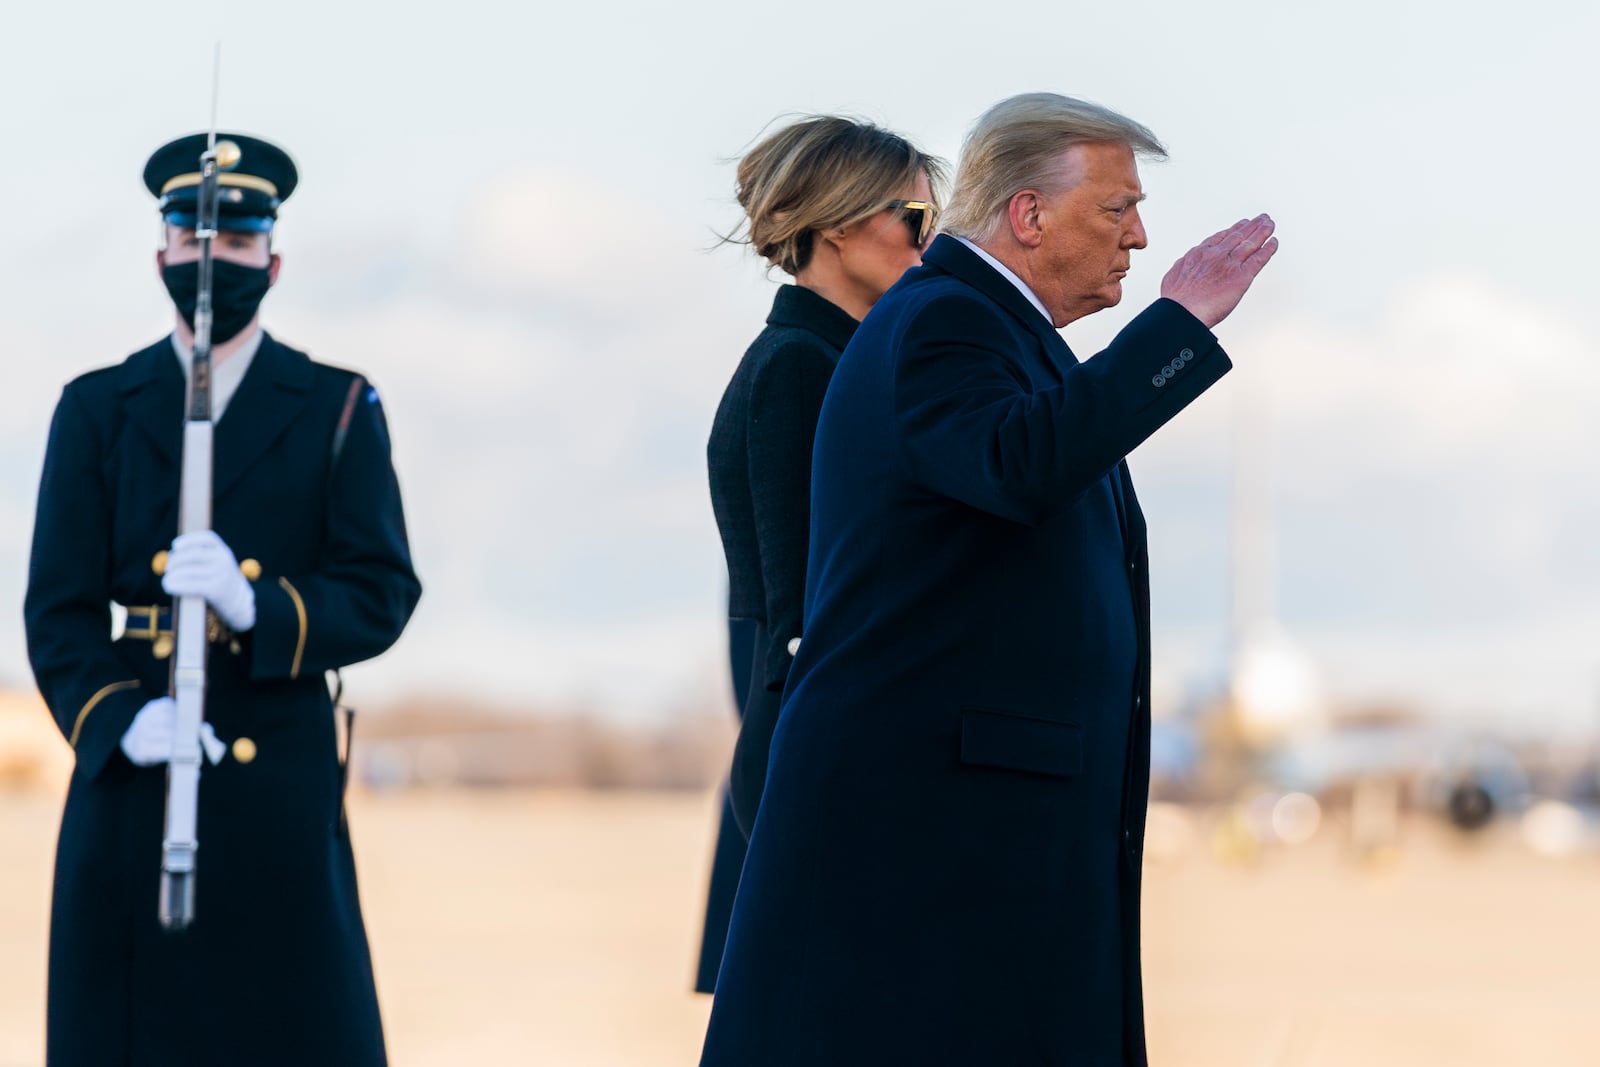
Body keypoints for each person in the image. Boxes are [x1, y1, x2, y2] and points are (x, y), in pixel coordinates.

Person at [700, 92, 1277, 1065]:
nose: (1139, 237)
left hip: (976, 840)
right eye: (1116, 207)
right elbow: (1019, 462)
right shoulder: (945, 321)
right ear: (1028, 213)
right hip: (934, 842)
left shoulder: (997, 334)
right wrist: (1177, 324)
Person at [24, 131, 421, 1067]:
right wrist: (118, 719)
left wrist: (260, 605)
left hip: (275, 767)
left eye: (237, 242)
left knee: (286, 1025)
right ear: (162, 253)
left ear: (272, 261)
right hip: (137, 772)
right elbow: (58, 608)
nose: (213, 260)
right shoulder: (97, 406)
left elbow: (381, 588)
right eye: (194, 237)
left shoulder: (335, 405)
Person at [695, 116, 945, 992]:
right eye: (916, 216)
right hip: (829, 757)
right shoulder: (801, 366)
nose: (931, 237)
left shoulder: (831, 357)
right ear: (838, 225)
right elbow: (810, 609)